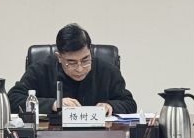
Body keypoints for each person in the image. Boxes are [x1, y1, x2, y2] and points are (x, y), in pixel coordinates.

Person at [8, 23, 136, 115]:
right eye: (71, 62)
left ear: (90, 52)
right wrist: (54, 104)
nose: (80, 69)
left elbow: (129, 104)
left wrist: (111, 106)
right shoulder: (40, 70)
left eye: (85, 60)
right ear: (59, 57)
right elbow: (13, 99)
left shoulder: (107, 71)